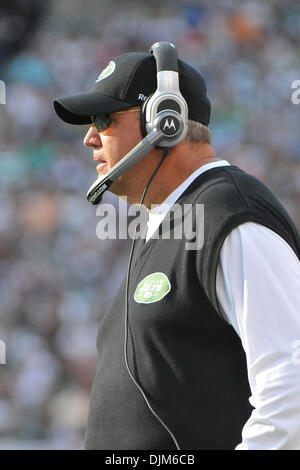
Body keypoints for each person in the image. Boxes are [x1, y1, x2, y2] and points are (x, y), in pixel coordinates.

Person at [53, 46, 300, 450]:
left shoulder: (230, 211)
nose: (89, 137)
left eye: (104, 119)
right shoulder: (173, 220)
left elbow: (290, 379)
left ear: (165, 120)